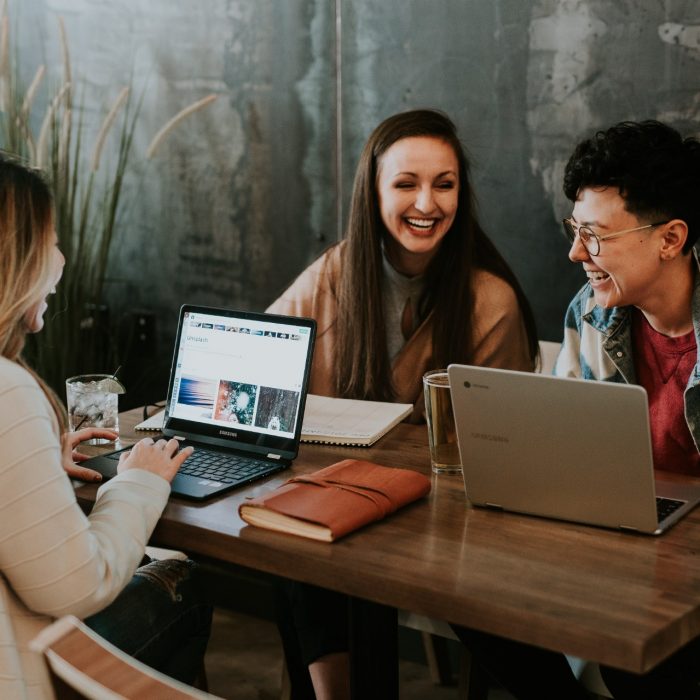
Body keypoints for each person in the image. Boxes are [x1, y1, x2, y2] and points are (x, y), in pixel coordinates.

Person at [267, 108, 539, 700]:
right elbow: (266, 354)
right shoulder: (339, 270)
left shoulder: (489, 300)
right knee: (297, 543)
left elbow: (501, 448)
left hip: (443, 522)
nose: (427, 203)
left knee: (311, 550)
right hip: (341, 500)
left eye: (444, 184)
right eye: (406, 183)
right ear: (374, 191)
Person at [454, 120, 700, 699]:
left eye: (595, 235)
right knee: (468, 597)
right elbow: (563, 456)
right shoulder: (591, 312)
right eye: (574, 229)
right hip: (621, 548)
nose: (574, 252)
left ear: (669, 239)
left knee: (634, 656)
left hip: (681, 575)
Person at [0, 154, 212, 698]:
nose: (62, 258)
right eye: (48, 241)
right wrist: (138, 481)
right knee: (185, 583)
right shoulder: (7, 389)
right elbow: (76, 586)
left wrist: (39, 466)